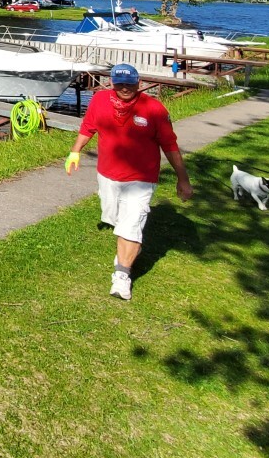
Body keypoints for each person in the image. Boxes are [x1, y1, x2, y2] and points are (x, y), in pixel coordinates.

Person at [65, 63, 192, 301]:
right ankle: (126, 246)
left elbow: (170, 146)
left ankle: (122, 275)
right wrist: (75, 151)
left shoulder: (154, 109)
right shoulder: (100, 100)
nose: (124, 87)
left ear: (139, 83)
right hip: (107, 175)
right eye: (119, 83)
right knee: (113, 218)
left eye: (129, 83)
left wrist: (182, 179)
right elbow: (88, 127)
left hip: (141, 179)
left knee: (131, 226)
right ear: (112, 82)